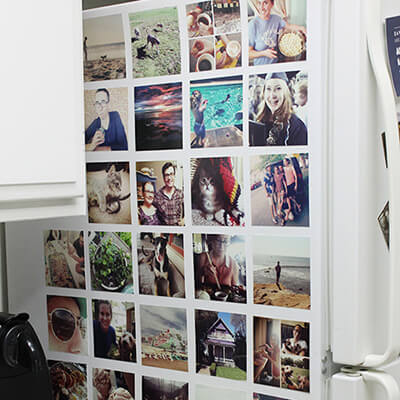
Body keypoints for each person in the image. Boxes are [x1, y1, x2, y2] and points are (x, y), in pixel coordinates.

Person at [253, 75, 308, 146]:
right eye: (268, 89)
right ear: (263, 93)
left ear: (286, 93)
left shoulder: (297, 127)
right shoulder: (258, 121)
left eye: (278, 88)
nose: (272, 95)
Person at [248, 0, 306, 65]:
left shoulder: (276, 19)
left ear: (272, 4)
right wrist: (264, 53)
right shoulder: (252, 25)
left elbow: (289, 26)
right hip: (261, 69)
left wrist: (302, 28)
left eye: (265, 3)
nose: (261, 7)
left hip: (276, 63)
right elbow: (248, 54)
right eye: (259, 3)